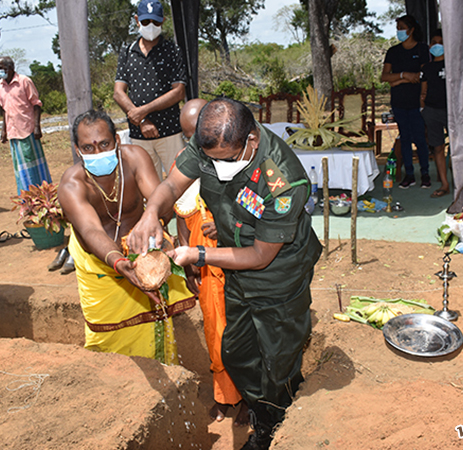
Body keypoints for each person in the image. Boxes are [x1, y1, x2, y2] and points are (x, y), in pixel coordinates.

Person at [127, 98, 322, 450]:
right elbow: (172, 185)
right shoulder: (211, 142)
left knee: (278, 360)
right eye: (211, 159)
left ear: (251, 140)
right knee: (236, 352)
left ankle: (273, 427)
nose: (217, 167)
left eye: (227, 159)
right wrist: (151, 212)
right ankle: (268, 405)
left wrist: (197, 254)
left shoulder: (283, 181)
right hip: (235, 265)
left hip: (279, 272)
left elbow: (262, 255)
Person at [58, 109, 194, 363]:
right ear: (78, 150)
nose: (98, 153)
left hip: (140, 253)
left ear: (117, 141)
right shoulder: (72, 184)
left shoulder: (135, 159)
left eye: (104, 144)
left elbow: (159, 201)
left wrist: (154, 229)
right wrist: (120, 263)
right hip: (100, 264)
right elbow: (91, 231)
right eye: (88, 148)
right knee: (106, 334)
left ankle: (164, 367)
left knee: (155, 320)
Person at [174, 98, 248, 426]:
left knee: (241, 334)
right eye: (189, 135)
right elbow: (179, 212)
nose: (198, 143)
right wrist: (187, 260)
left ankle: (249, 397)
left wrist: (227, 223)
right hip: (202, 266)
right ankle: (224, 396)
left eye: (200, 134)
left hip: (238, 264)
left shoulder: (236, 160)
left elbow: (255, 212)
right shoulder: (183, 164)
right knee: (214, 332)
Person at [113, 0, 187, 180]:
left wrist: (144, 110)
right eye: (146, 22)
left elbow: (179, 91)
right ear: (137, 20)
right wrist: (142, 120)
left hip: (170, 131)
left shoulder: (172, 50)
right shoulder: (127, 51)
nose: (151, 26)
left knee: (179, 181)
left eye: (155, 22)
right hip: (139, 134)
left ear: (163, 21)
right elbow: (118, 92)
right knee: (149, 186)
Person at [381, 14, 431, 189]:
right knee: (404, 138)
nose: (399, 31)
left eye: (402, 28)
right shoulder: (393, 52)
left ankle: (425, 173)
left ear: (411, 30)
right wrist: (403, 77)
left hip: (417, 101)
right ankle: (409, 174)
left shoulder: (422, 49)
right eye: (398, 28)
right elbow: (385, 77)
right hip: (399, 102)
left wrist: (398, 80)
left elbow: (423, 76)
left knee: (420, 139)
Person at [0, 56, 51, 195]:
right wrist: (3, 131)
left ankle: (42, 195)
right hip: (12, 132)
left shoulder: (24, 81)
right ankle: (26, 197)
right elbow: (5, 110)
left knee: (33, 164)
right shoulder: (0, 85)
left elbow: (36, 105)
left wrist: (37, 127)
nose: (0, 71)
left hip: (27, 129)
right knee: (20, 167)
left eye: (2, 68)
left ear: (11, 68)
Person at [420, 30, 450, 198]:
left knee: (457, 147)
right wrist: (423, 109)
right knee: (437, 147)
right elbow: (423, 92)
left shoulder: (453, 65)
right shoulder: (427, 68)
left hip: (451, 112)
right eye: (434, 42)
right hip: (431, 111)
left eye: (440, 42)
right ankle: (445, 184)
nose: (437, 45)